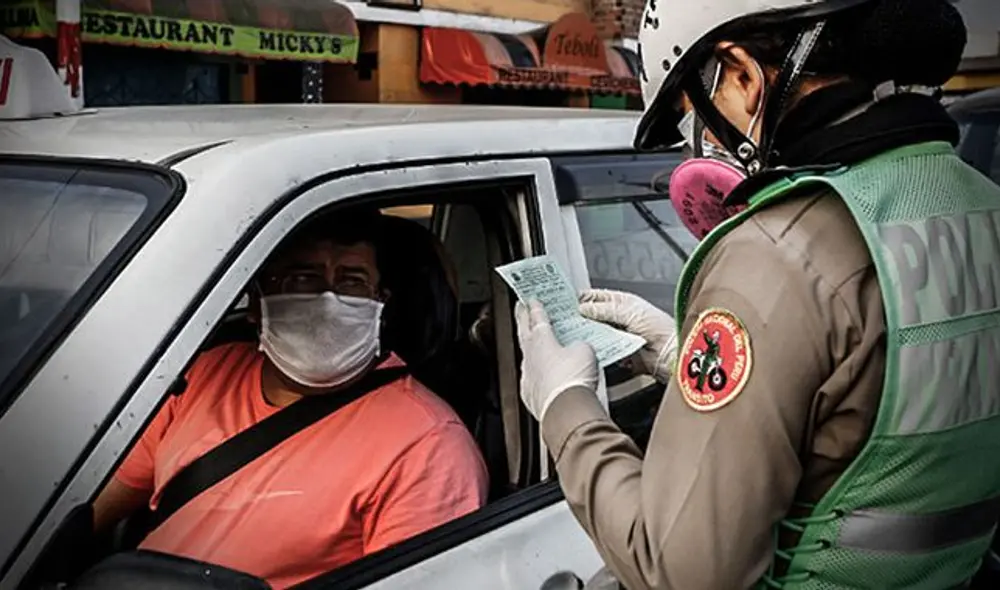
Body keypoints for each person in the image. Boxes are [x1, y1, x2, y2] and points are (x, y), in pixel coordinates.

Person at [515, 0, 1000, 588]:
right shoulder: (982, 204)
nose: (696, 143)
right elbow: (890, 395)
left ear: (743, 77)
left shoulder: (776, 251)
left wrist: (566, 406)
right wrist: (685, 357)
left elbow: (684, 571)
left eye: (695, 111)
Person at [92, 211, 488, 589]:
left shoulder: (429, 444)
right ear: (257, 304)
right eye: (303, 278)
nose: (328, 301)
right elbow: (86, 510)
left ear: (380, 304)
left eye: (351, 281)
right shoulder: (201, 375)